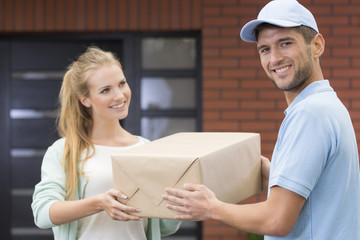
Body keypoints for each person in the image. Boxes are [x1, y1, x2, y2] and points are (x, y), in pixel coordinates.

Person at [162, 0, 360, 239]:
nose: (274, 58)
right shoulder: (328, 105)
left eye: (285, 43)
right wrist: (274, 173)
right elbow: (321, 199)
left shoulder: (309, 113)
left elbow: (276, 220)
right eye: (264, 49)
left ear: (316, 45)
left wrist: (211, 207)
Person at [32, 46, 181, 240]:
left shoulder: (147, 148)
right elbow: (42, 214)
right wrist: (99, 203)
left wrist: (175, 198)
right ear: (85, 100)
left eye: (122, 84)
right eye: (105, 90)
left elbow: (163, 226)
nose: (119, 95)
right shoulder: (64, 151)